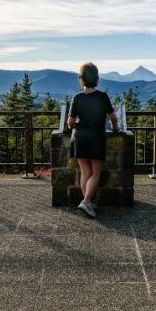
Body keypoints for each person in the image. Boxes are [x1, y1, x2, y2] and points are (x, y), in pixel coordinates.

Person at [67, 62, 119, 218]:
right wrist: (115, 128)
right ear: (96, 78)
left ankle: (87, 203)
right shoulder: (102, 97)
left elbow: (70, 122)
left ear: (81, 78)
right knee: (95, 173)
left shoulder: (77, 97)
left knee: (85, 172)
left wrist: (74, 125)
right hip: (96, 137)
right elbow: (113, 117)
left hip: (79, 137)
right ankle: (87, 201)